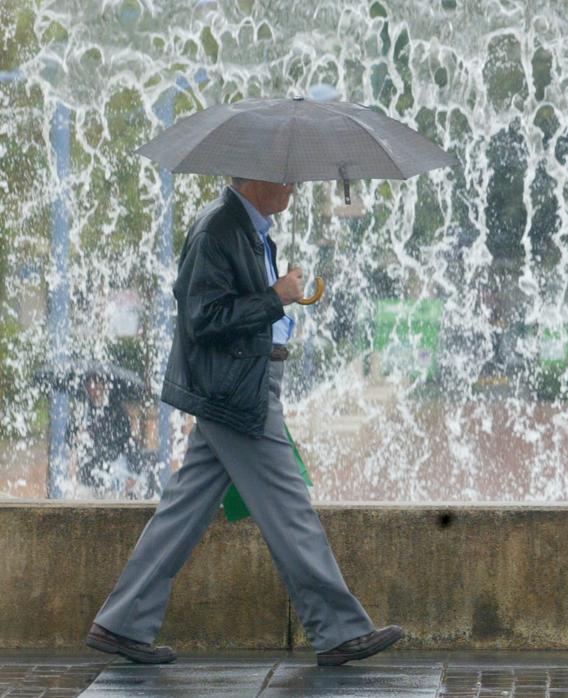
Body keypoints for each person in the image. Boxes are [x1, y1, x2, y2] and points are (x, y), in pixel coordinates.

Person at [85, 179, 403, 666]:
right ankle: (339, 631)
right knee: (290, 507)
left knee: (184, 510)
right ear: (253, 175)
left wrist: (278, 298)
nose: (293, 182)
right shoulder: (219, 228)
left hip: (243, 383)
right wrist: (275, 296)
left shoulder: (247, 230)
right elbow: (202, 317)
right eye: (284, 172)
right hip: (238, 391)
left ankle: (120, 623)